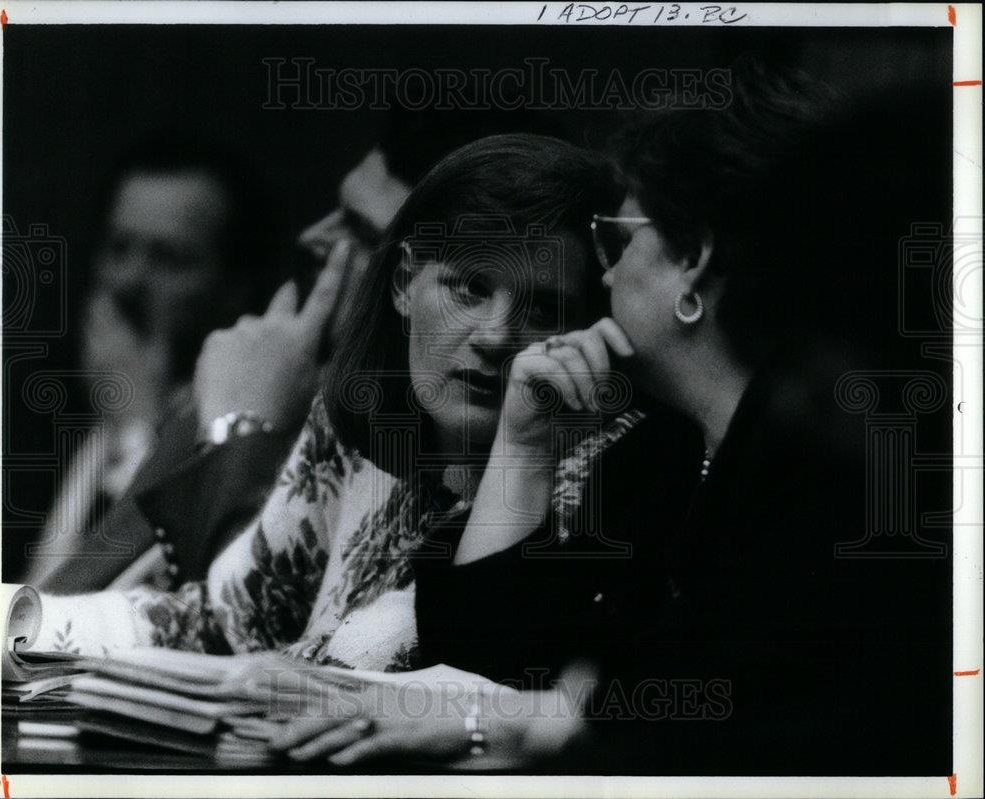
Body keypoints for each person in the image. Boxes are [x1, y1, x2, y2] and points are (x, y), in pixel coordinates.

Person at [274, 60, 951, 775]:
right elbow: (478, 667)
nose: (604, 276)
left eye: (620, 240)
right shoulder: (658, 457)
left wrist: (534, 728)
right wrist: (524, 443)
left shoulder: (843, 472)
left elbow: (762, 735)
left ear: (693, 260)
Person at [18, 134, 629, 682]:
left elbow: (430, 682)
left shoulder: (595, 476)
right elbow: (227, 619)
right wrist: (13, 624)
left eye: (545, 308)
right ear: (403, 284)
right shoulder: (354, 416)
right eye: (470, 288)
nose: (496, 335)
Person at [21, 136, 283, 590]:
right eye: (119, 248)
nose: (128, 280)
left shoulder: (252, 433)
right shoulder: (39, 398)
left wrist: (135, 433)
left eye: (169, 259)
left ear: (235, 286)